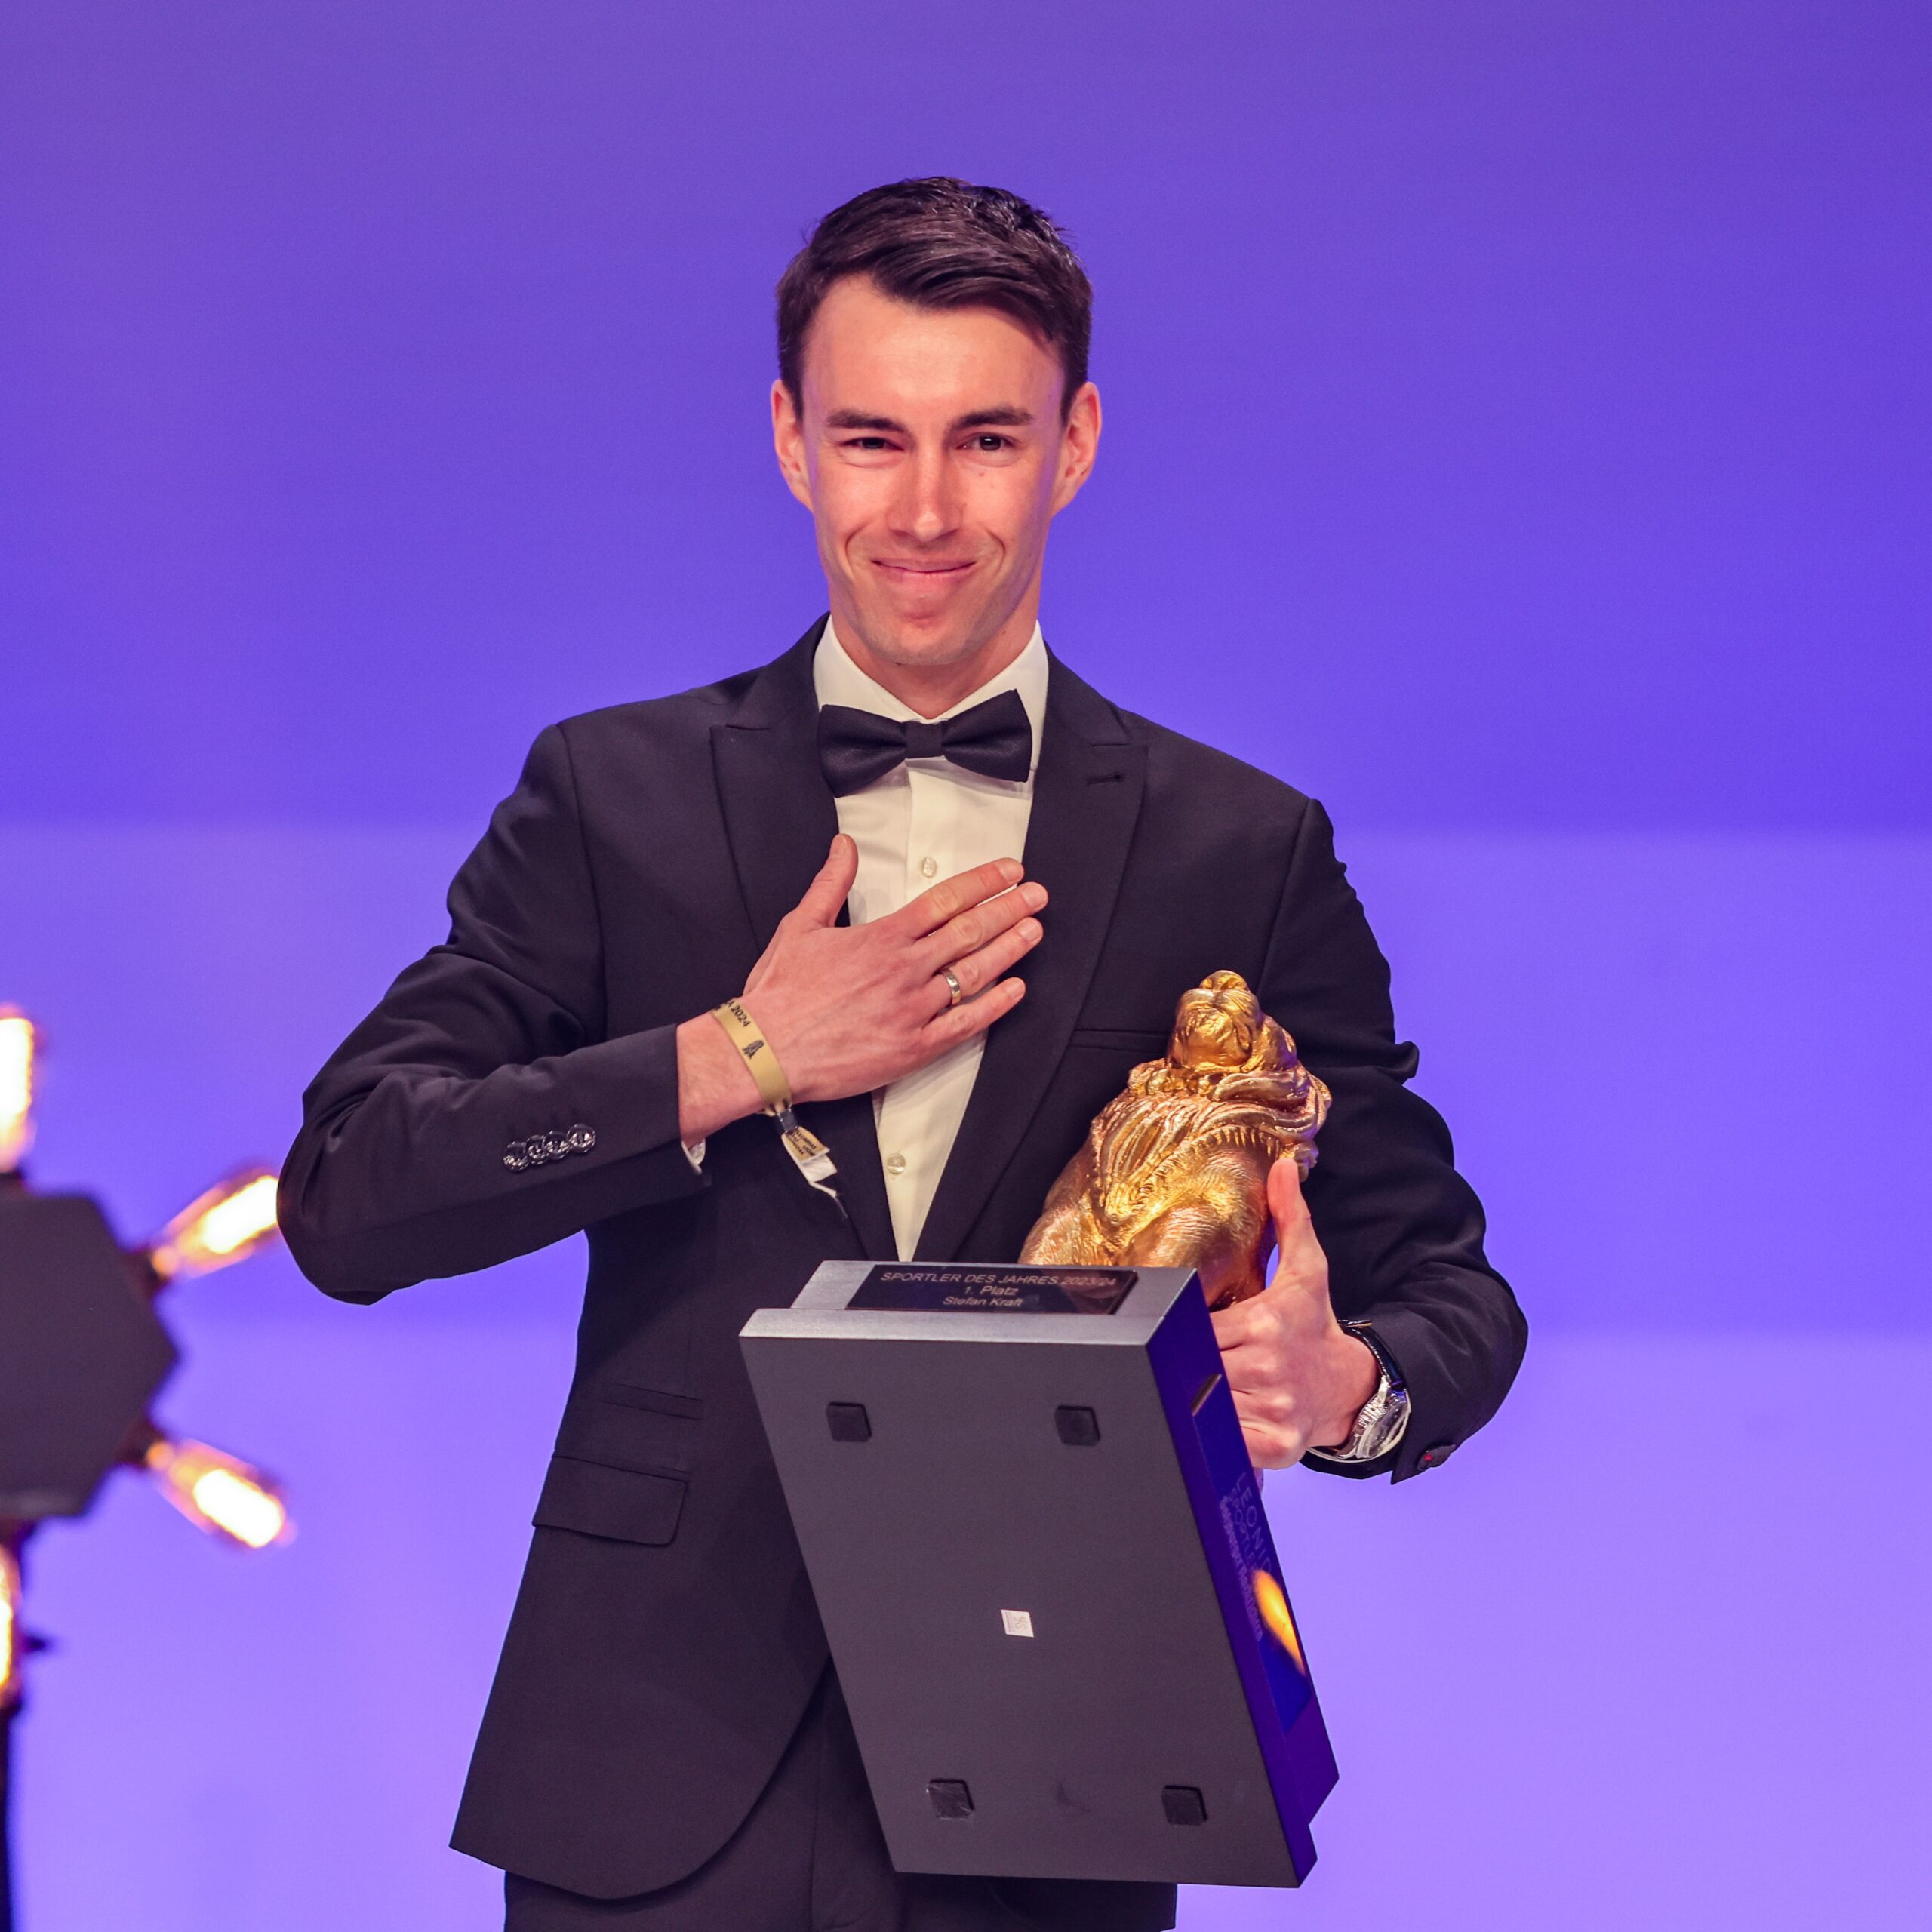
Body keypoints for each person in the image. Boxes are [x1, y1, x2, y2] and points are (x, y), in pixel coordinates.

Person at [281, 177, 1526, 1932]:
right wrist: (734, 1053)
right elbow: (347, 1192)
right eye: (871, 437)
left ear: (1075, 443)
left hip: (1054, 1784)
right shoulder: (609, 799)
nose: (926, 509)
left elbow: (1451, 1292)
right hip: (648, 1772)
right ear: (789, 439)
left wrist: (1343, 1394)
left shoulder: (1234, 849)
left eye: (986, 439)